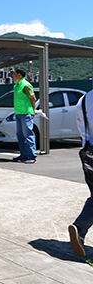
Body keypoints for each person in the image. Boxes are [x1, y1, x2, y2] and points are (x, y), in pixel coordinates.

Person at [69, 90, 93, 258]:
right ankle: (80, 228)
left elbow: (81, 127)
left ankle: (80, 229)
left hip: (89, 153)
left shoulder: (85, 99)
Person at [12, 67, 38, 164]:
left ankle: (32, 156)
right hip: (19, 112)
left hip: (26, 113)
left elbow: (33, 98)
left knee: (28, 134)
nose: (13, 75)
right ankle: (24, 154)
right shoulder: (17, 85)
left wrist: (33, 110)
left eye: (14, 74)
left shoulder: (26, 85)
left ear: (20, 75)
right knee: (20, 135)